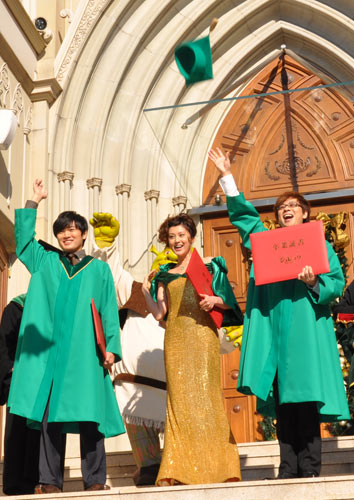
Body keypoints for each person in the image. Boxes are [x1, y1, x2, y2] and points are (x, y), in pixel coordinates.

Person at [208, 147, 350, 479]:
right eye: (282, 208)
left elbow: (336, 284)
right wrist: (227, 177)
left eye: (293, 207)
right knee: (284, 404)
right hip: (275, 332)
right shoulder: (267, 243)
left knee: (305, 400)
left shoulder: (319, 245)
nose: (286, 210)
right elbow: (245, 218)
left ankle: (311, 467)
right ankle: (288, 467)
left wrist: (314, 281)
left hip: (305, 331)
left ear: (304, 214)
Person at [7, 179, 125, 494]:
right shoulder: (46, 261)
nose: (67, 233)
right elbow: (22, 242)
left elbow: (108, 311)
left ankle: (96, 480)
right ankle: (49, 481)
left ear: (84, 234)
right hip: (51, 358)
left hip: (85, 356)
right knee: (49, 420)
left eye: (73, 228)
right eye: (62, 230)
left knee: (91, 419)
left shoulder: (98, 270)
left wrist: (111, 348)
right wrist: (34, 199)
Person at [142, 213, 243, 485]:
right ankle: (178, 469)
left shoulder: (211, 267)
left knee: (207, 399)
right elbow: (160, 314)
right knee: (179, 402)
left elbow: (230, 304)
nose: (176, 240)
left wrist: (214, 300)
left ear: (192, 237)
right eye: (172, 236)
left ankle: (223, 467)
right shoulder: (164, 275)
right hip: (175, 341)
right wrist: (145, 291)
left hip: (203, 338)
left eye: (181, 235)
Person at [90, 213, 169, 486]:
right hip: (134, 383)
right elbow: (111, 272)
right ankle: (148, 468)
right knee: (141, 431)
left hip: (174, 383)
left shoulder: (185, 299)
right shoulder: (135, 292)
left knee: (176, 433)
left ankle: (173, 467)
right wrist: (106, 244)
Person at [0, 294, 42, 496]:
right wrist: (11, 369)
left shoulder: (50, 309)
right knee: (16, 431)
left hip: (42, 382)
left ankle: (38, 480)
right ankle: (14, 482)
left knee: (40, 434)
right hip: (18, 382)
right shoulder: (15, 308)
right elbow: (3, 346)